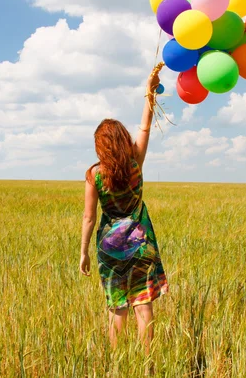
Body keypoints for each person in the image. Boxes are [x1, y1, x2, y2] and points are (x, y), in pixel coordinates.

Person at [79, 64, 169, 358]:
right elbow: (145, 126)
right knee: (144, 306)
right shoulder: (135, 164)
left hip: (109, 247)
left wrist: (83, 252)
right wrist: (149, 91)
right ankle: (148, 365)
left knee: (117, 309)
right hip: (141, 243)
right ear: (121, 140)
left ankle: (116, 365)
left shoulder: (94, 175)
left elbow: (89, 217)